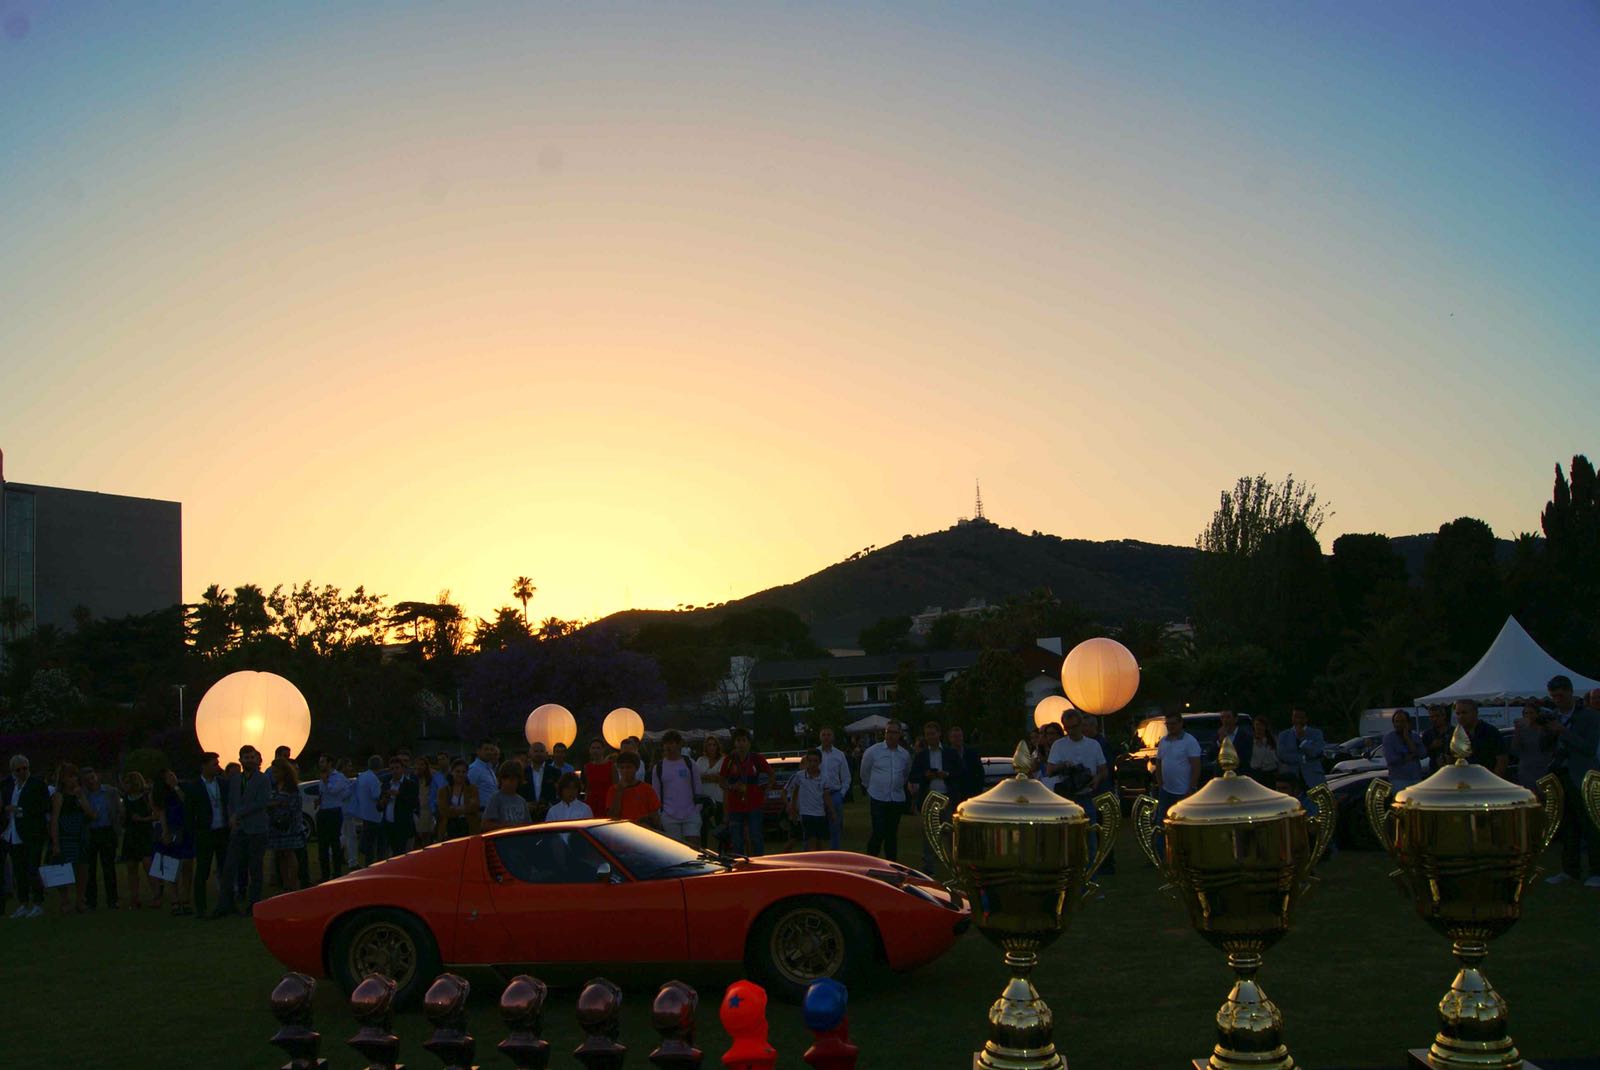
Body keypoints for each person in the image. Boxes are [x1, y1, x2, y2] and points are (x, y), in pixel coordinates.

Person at [1545, 675, 1600, 886]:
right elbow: (1546, 747)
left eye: (1560, 695)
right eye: (1553, 696)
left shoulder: (1589, 716)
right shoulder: (1554, 717)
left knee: (1590, 824)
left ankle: (1596, 871)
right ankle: (1570, 870)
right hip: (1561, 775)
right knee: (1567, 825)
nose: (1557, 700)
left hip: (1582, 776)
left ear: (1570, 692)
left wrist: (1564, 732)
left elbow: (1588, 748)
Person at [214, 745, 270, 917]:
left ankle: (253, 904)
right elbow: (231, 801)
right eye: (246, 758)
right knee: (229, 867)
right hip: (238, 829)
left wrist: (238, 814)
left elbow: (261, 802)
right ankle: (226, 904)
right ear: (240, 760)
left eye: (252, 757)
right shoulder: (235, 779)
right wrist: (232, 817)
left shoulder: (263, 779)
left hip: (257, 829)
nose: (250, 760)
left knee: (255, 867)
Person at [1149, 712, 1202, 861]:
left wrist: (1191, 788)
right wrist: (1160, 784)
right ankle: (1162, 857)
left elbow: (1195, 765)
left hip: (1184, 791)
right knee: (1162, 823)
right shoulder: (1164, 742)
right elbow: (1159, 763)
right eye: (1168, 724)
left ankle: (1186, 856)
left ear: (1180, 723)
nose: (1170, 727)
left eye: (1173, 724)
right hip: (1166, 791)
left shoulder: (1189, 742)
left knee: (1183, 825)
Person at [2, 754, 49, 918]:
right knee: (19, 870)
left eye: (25, 768)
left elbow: (44, 806)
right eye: (19, 769)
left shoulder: (36, 784)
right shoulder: (9, 785)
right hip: (13, 833)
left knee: (32, 868)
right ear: (13, 771)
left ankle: (38, 903)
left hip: (31, 833)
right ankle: (23, 903)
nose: (22, 772)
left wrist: (20, 810)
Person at [910, 721, 959, 871]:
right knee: (929, 833)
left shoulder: (950, 753)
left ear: (939, 734)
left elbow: (961, 772)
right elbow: (913, 775)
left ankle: (953, 863)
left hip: (947, 796)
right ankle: (929, 864)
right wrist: (926, 775)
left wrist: (947, 775)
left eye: (932, 734)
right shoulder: (921, 756)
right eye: (927, 734)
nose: (930, 737)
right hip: (929, 798)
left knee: (950, 831)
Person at [860, 722, 912, 861]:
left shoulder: (904, 755)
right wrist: (869, 787)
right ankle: (871, 861)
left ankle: (891, 863)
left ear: (900, 734)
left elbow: (906, 774)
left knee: (892, 833)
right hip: (878, 797)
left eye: (894, 732)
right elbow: (864, 771)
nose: (890, 735)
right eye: (888, 732)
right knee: (878, 831)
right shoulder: (873, 751)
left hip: (896, 799)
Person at [186, 753, 228, 915]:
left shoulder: (223, 784)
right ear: (203, 766)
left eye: (217, 764)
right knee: (203, 870)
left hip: (222, 832)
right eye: (214, 764)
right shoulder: (194, 787)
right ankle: (201, 906)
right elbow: (189, 813)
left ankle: (226, 903)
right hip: (205, 833)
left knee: (225, 869)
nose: (217, 767)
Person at [48, 762, 93, 914]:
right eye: (70, 776)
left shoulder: (80, 794)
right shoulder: (59, 796)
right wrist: (55, 843)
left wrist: (81, 797)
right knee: (65, 868)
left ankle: (80, 900)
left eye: (75, 776)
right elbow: (54, 819)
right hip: (66, 835)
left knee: (82, 868)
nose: (73, 779)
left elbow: (90, 814)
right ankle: (65, 901)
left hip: (80, 833)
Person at [153, 768, 196, 915]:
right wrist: (165, 831)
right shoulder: (160, 794)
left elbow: (187, 802)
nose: (172, 777)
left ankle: (186, 898)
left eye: (173, 774)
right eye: (168, 776)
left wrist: (176, 787)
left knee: (187, 864)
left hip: (185, 829)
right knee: (170, 866)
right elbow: (161, 812)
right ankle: (174, 899)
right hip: (170, 828)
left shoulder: (184, 788)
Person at [721, 729, 771, 856]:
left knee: (756, 837)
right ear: (734, 743)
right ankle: (740, 868)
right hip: (735, 806)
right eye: (738, 741)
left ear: (749, 743)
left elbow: (771, 775)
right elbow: (722, 782)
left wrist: (766, 792)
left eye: (744, 740)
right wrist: (732, 787)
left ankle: (760, 865)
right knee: (737, 841)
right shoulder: (729, 761)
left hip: (754, 805)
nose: (741, 744)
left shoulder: (757, 759)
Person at [79, 765, 122, 910]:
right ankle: (91, 901)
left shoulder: (110, 792)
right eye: (87, 780)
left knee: (108, 867)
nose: (91, 782)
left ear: (96, 776)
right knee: (90, 869)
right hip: (91, 833)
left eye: (92, 778)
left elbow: (117, 811)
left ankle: (112, 900)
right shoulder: (82, 795)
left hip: (107, 831)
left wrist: (117, 829)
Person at [651, 731, 702, 845]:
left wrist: (697, 809)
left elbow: (698, 787)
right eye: (666, 743)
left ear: (679, 745)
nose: (669, 746)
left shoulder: (690, 763)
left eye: (672, 743)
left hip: (691, 813)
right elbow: (656, 793)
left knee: (694, 849)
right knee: (674, 849)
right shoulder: (658, 767)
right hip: (669, 815)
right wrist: (660, 814)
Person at [118, 771, 157, 910]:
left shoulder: (146, 797)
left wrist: (142, 819)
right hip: (131, 834)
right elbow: (123, 817)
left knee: (148, 865)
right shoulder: (126, 799)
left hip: (144, 833)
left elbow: (156, 815)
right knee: (131, 867)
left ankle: (156, 896)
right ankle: (134, 898)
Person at [266, 759, 306, 894]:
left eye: (277, 772)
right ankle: (285, 882)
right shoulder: (274, 786)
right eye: (273, 772)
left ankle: (294, 882)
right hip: (276, 826)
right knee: (280, 854)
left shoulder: (292, 788)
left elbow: (293, 806)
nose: (275, 774)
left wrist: (276, 805)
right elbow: (270, 803)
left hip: (289, 826)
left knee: (289, 853)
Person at [786, 749, 835, 851]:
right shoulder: (799, 776)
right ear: (807, 761)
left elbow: (826, 796)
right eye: (810, 761)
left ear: (820, 762)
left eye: (815, 761)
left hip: (820, 813)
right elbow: (795, 794)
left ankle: (822, 864)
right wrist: (793, 809)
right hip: (806, 813)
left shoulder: (824, 778)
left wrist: (832, 811)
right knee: (811, 841)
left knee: (821, 843)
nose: (812, 764)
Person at [314, 753, 351, 881]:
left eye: (323, 762)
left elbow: (334, 791)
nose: (321, 764)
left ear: (330, 763)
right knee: (322, 844)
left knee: (334, 842)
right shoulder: (322, 778)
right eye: (320, 762)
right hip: (323, 811)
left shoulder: (338, 777)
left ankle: (337, 872)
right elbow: (323, 793)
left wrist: (326, 781)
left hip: (334, 812)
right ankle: (325, 874)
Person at [816, 727, 852, 849]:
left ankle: (835, 854)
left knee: (835, 828)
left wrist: (841, 794)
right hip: (817, 796)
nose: (826, 737)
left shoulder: (839, 755)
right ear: (820, 737)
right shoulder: (814, 754)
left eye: (829, 734)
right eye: (824, 734)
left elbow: (846, 777)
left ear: (833, 737)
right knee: (816, 829)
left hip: (835, 794)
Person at [1276, 707, 1327, 790]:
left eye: (1301, 718)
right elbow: (1282, 755)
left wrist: (1302, 739)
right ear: (1292, 718)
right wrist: (1303, 758)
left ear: (1306, 719)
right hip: (1290, 778)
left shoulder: (1316, 733)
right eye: (1295, 717)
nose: (1298, 720)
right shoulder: (1283, 735)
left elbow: (1316, 752)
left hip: (1314, 778)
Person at [1453, 699, 1506, 777]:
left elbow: (1502, 759)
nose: (1461, 716)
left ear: (1475, 713)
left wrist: (1495, 781)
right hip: (1464, 781)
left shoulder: (1490, 732)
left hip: (1486, 780)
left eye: (1464, 713)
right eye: (1458, 713)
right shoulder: (1456, 735)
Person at [1511, 701, 1556, 792]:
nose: (1529, 715)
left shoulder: (1545, 729)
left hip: (1543, 767)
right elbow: (1514, 749)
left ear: (1537, 714)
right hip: (1526, 769)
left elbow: (1549, 746)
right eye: (1526, 713)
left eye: (1531, 713)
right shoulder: (1522, 730)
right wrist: (1517, 731)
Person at [608, 752, 662, 828]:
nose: (625, 771)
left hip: (643, 831)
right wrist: (619, 792)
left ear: (636, 768)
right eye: (622, 768)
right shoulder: (613, 790)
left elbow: (655, 816)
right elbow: (612, 817)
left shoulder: (647, 789)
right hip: (621, 831)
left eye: (628, 767)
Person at [694, 734, 726, 850]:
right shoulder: (701, 760)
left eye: (714, 745)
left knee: (718, 828)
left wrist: (707, 777)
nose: (712, 747)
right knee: (704, 828)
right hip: (704, 800)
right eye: (709, 745)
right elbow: (697, 777)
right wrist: (712, 777)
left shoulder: (724, 760)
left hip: (719, 798)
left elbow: (722, 777)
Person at [352, 756, 386, 867]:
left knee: (368, 839)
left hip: (364, 812)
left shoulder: (362, 776)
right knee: (373, 843)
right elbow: (376, 795)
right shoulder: (374, 779)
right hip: (374, 814)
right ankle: (372, 864)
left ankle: (367, 858)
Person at [1382, 709, 1426, 790]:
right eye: (1396, 721)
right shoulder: (1389, 738)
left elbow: (1422, 754)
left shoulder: (1415, 736)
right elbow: (1392, 759)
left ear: (1408, 723)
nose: (1399, 724)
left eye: (1402, 721)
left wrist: (1407, 739)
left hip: (1416, 779)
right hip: (1399, 780)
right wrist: (1411, 755)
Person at [437, 759, 481, 840]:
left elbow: (475, 807)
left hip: (469, 828)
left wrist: (454, 809)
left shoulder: (473, 789)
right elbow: (444, 811)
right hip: (449, 829)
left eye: (463, 772)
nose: (460, 774)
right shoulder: (443, 791)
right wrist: (465, 808)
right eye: (457, 771)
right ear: (452, 772)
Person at [482, 761, 532, 831]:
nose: (508, 782)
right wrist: (506, 827)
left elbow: (528, 825)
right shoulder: (496, 799)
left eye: (512, 779)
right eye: (505, 778)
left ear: (518, 780)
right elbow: (486, 825)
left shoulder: (522, 801)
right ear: (501, 779)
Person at [385, 755, 418, 858]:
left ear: (403, 769)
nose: (395, 771)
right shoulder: (387, 784)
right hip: (389, 825)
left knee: (404, 856)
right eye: (392, 768)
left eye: (397, 768)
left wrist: (399, 795)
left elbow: (413, 803)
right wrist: (383, 800)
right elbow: (379, 806)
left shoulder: (410, 784)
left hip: (404, 826)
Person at [519, 743, 560, 822]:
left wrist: (550, 805)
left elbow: (560, 794)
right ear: (529, 754)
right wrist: (525, 805)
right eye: (536, 751)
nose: (538, 754)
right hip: (526, 816)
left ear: (546, 754)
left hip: (549, 816)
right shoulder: (522, 772)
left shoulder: (555, 772)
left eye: (541, 751)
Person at [583, 740, 615, 816]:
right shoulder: (587, 767)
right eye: (593, 748)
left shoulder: (611, 766)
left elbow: (615, 786)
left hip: (606, 801)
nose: (595, 750)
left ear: (603, 750)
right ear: (590, 750)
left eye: (598, 748)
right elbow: (587, 787)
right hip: (592, 802)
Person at [467, 741, 501, 814]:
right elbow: (468, 792)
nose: (489, 752)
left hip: (493, 811)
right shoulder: (474, 769)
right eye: (486, 749)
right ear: (478, 751)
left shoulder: (489, 768)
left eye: (491, 750)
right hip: (481, 812)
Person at [1248, 716, 1280, 786]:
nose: (1259, 727)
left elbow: (1277, 758)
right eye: (1257, 725)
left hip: (1270, 773)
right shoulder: (1249, 741)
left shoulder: (1272, 741)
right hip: (1255, 773)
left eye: (1261, 725)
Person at [1420, 706, 1453, 771]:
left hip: (1453, 769)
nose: (1434, 719)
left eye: (1437, 716)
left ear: (1444, 716)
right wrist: (1431, 746)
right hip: (1434, 770)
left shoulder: (1454, 732)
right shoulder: (1427, 734)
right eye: (1431, 717)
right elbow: (1422, 754)